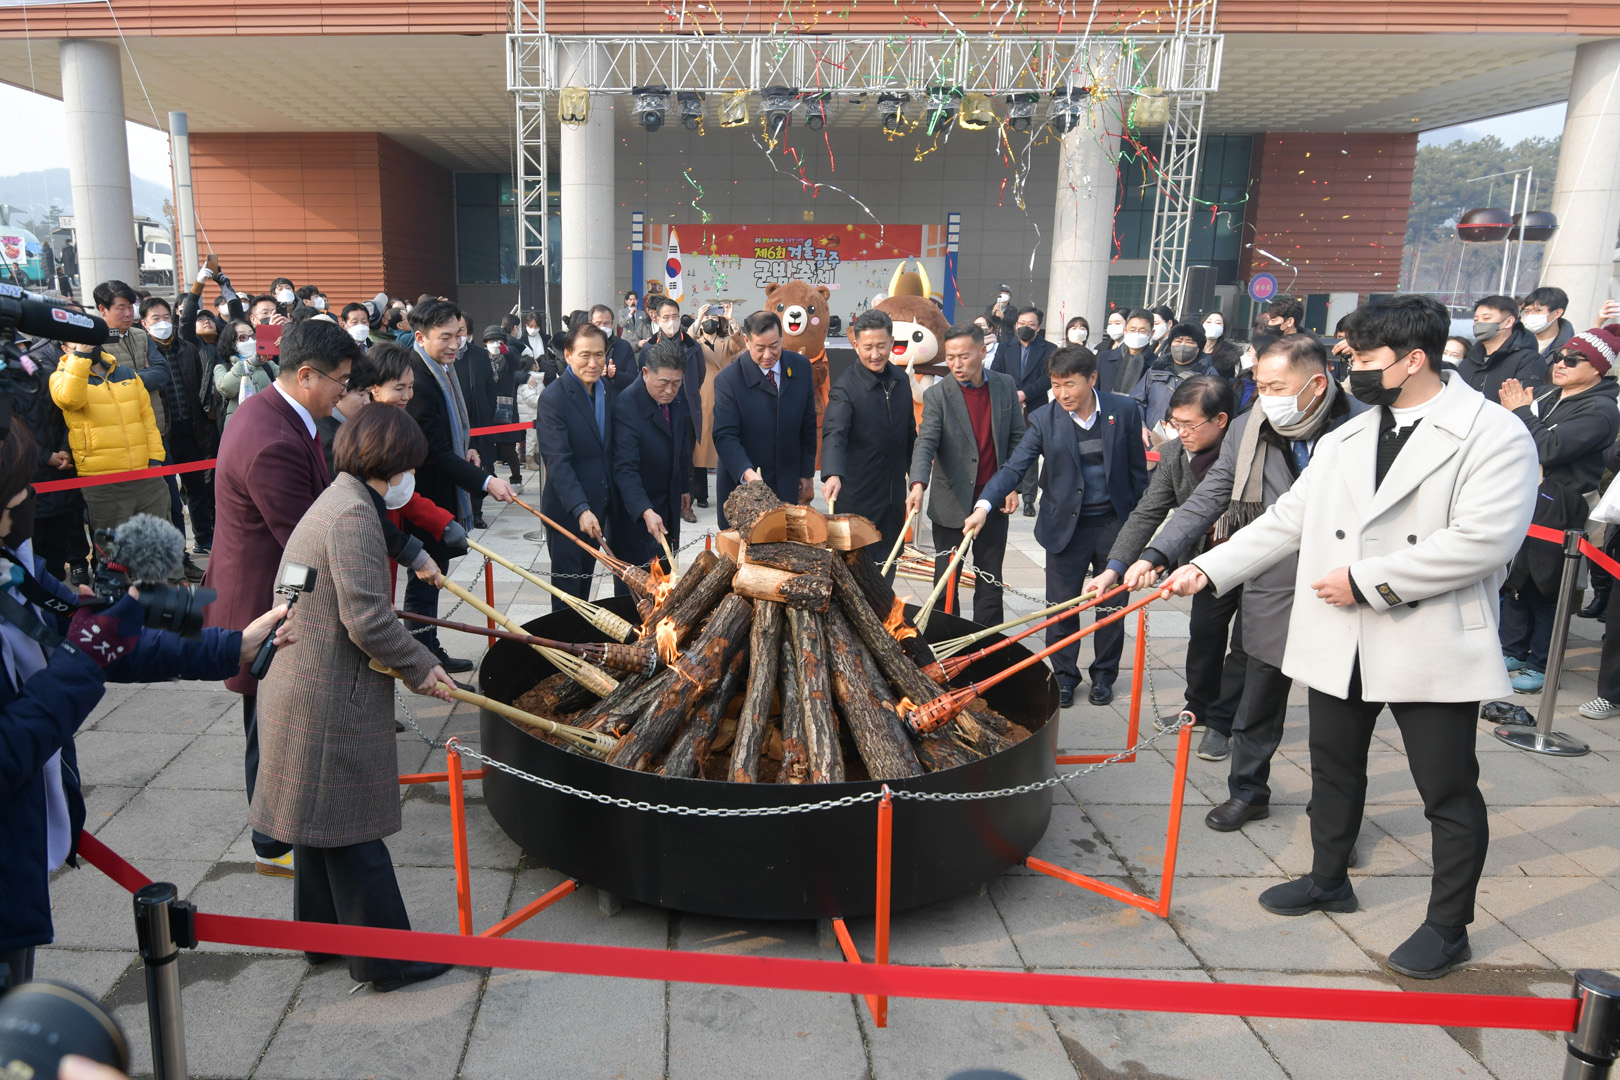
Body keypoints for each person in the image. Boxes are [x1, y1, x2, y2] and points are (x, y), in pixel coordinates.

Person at [1167, 294, 1541, 980]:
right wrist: (1206, 568)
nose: (1352, 369)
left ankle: (1448, 926)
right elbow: (1286, 520)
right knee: (1334, 767)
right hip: (1344, 638)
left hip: (1426, 635)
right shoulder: (1349, 437)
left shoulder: (1492, 433)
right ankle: (1327, 877)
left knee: (1447, 789)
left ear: (1414, 359)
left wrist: (1368, 581)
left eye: (1364, 357)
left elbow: (1484, 541)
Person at [0, 415, 292, 992]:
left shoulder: (12, 567)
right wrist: (83, 658)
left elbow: (99, 634)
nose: (23, 511)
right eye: (13, 501)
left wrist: (232, 645)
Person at [251, 404, 455, 993]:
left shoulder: (336, 500)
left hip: (302, 678)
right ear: (391, 463)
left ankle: (321, 937)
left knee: (319, 820)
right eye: (407, 467)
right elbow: (367, 619)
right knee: (351, 826)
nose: (409, 477)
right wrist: (421, 665)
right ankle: (386, 961)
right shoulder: (354, 516)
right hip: (326, 692)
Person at [1148, 334, 1364, 833]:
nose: (1267, 397)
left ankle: (1333, 815)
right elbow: (1211, 496)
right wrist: (1159, 553)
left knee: (1341, 711)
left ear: (1316, 383)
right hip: (1272, 574)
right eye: (1260, 386)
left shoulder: (1362, 424)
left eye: (1277, 387)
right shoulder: (1250, 426)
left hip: (1345, 579)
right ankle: (1247, 791)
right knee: (1259, 691)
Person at [204, 316, 360, 878]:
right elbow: (303, 536)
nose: (345, 391)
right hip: (261, 598)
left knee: (277, 721)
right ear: (306, 374)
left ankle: (281, 828)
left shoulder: (280, 412)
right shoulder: (272, 437)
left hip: (272, 587)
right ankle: (270, 844)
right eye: (341, 380)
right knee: (268, 725)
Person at [964, 346, 1148, 708]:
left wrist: (1139, 527)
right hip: (1065, 526)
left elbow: (1138, 474)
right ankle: (1064, 677)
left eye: (1070, 384)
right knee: (1061, 607)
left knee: (1111, 605)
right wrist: (984, 505)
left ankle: (1104, 676)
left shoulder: (1124, 411)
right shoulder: (1044, 419)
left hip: (1113, 523)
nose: (1063, 393)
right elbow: (1014, 467)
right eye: (1056, 385)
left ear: (1092, 378)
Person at [1089, 375, 1243, 761]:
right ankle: (1199, 707)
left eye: (1190, 424)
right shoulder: (1175, 453)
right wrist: (1115, 567)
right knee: (1204, 633)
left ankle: (1224, 723)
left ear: (1221, 420)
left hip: (1253, 560)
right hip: (1203, 564)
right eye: (1175, 423)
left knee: (1247, 646)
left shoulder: (1247, 452)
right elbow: (1148, 511)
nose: (1181, 433)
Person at [1495, 326, 1620, 693]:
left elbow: (1549, 448)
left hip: (1563, 504)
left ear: (1597, 369)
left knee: (1548, 585)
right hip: (1526, 495)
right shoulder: (1550, 394)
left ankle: (1541, 662)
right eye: (1559, 356)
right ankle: (1513, 649)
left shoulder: (1600, 409)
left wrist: (1521, 411)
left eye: (1573, 360)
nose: (1561, 364)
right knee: (1516, 580)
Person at [402, 300, 515, 669]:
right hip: (426, 495)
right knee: (425, 577)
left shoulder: (442, 369)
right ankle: (422, 657)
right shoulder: (420, 380)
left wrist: (465, 448)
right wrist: (486, 481)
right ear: (421, 337)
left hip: (442, 491)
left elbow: (448, 437)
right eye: (445, 337)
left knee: (433, 575)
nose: (455, 344)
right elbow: (434, 453)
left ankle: (427, 647)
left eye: (459, 335)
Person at [906, 323, 1025, 624]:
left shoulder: (1004, 385)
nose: (956, 364)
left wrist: (1012, 485)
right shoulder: (938, 394)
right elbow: (926, 442)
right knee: (946, 580)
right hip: (951, 501)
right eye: (950, 357)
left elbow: (1017, 438)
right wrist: (918, 483)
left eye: (964, 356)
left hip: (994, 499)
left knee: (990, 579)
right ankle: (946, 637)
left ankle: (987, 641)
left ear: (982, 351)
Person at [49, 307, 170, 538]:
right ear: (65, 349)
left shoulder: (126, 374)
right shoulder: (60, 378)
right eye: (77, 341)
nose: (88, 344)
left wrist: (155, 460)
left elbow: (147, 419)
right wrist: (81, 357)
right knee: (113, 547)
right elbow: (70, 400)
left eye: (89, 338)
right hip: (103, 480)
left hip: (145, 473)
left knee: (159, 540)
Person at [820, 310, 917, 572]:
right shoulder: (846, 387)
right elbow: (835, 432)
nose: (875, 354)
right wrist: (832, 473)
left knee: (888, 566)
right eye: (868, 347)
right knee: (857, 570)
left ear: (891, 341)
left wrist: (917, 478)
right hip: (857, 497)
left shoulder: (900, 380)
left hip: (893, 496)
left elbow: (910, 434)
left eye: (881, 346)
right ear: (856, 345)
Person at [537, 322, 621, 607]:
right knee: (567, 595)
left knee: (584, 587)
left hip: (599, 506)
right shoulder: (554, 398)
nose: (593, 363)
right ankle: (565, 635)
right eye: (585, 355)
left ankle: (581, 635)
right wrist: (580, 509)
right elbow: (557, 462)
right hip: (567, 512)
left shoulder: (605, 390)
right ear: (568, 354)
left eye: (599, 354)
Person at [711, 311, 818, 528]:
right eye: (760, 348)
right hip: (743, 486)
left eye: (774, 346)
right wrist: (748, 474)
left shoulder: (801, 367)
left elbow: (808, 422)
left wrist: (806, 472)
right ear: (747, 340)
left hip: (786, 478)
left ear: (782, 338)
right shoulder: (728, 380)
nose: (768, 355)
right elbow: (725, 436)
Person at [136, 294, 211, 581]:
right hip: (161, 434)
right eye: (155, 318)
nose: (162, 323)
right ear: (144, 323)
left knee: (198, 488)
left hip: (191, 429)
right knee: (170, 499)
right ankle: (179, 557)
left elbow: (200, 385)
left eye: (166, 317)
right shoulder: (145, 353)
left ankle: (204, 539)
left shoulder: (188, 349)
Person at [613, 340, 691, 570]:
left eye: (676, 383)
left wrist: (684, 487)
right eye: (663, 383)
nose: (669, 391)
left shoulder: (676, 399)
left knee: (667, 575)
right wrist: (644, 510)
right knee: (638, 583)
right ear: (646, 373)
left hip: (668, 502)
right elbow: (624, 468)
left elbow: (681, 445)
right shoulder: (626, 405)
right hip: (636, 511)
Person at [641, 296, 705, 522]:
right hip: (656, 411)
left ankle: (686, 504)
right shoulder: (649, 347)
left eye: (675, 316)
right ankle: (658, 502)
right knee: (657, 456)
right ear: (656, 319)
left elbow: (699, 376)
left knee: (685, 458)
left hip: (685, 410)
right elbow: (642, 377)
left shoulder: (692, 346)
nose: (671, 321)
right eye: (666, 317)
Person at [692, 303, 743, 510]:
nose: (710, 321)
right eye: (706, 319)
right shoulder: (695, 342)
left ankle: (730, 492)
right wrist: (698, 318)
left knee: (726, 442)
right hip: (703, 395)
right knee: (701, 447)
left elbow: (740, 344)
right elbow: (684, 341)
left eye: (713, 318)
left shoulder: (726, 341)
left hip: (726, 394)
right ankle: (701, 494)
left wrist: (731, 319)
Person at [1007, 305, 1055, 516]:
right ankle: (1007, 490)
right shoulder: (1004, 347)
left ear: (1038, 327)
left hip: (1035, 406)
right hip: (1009, 405)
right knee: (1008, 449)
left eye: (1031, 324)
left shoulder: (1049, 349)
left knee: (1032, 451)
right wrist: (1012, 395)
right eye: (1022, 323)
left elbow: (1048, 378)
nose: (1025, 327)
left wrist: (1025, 393)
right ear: (1016, 324)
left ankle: (1028, 498)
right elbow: (997, 373)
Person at [452, 314, 497, 530]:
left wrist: (488, 412)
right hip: (454, 421)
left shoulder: (479, 355)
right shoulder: (445, 356)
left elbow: (490, 386)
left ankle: (476, 512)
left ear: (468, 332)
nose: (458, 335)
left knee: (478, 464)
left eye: (461, 330)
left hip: (478, 421)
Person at [1455, 295, 1545, 403]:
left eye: (1486, 318)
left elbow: (1525, 404)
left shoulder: (1528, 360)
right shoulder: (1469, 361)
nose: (1479, 323)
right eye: (1476, 319)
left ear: (1508, 322)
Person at [1132, 322, 1214, 439]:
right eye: (1178, 341)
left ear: (1199, 347)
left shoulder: (1208, 373)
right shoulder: (1156, 369)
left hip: (1188, 439)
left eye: (1190, 342)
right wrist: (1141, 425)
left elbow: (1213, 409)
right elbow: (1137, 400)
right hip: (1151, 438)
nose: (1183, 345)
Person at [480, 325, 526, 488]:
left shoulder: (508, 356)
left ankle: (516, 480)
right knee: (487, 446)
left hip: (506, 407)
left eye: (498, 340)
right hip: (487, 406)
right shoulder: (482, 358)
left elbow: (516, 363)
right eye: (491, 340)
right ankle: (490, 476)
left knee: (508, 448)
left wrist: (506, 351)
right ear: (485, 342)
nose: (494, 343)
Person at [214, 319, 279, 430]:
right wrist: (248, 364)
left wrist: (287, 348)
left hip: (270, 424)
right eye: (243, 337)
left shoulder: (268, 365)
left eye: (253, 336)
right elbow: (226, 389)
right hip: (240, 428)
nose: (251, 341)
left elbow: (291, 381)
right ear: (232, 344)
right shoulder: (222, 368)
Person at [1097, 308, 1155, 397]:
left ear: (1151, 334)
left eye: (1142, 331)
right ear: (1125, 331)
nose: (1136, 334)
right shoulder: (1104, 359)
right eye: (1132, 330)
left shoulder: (1156, 365)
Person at [1520, 285, 1576, 364]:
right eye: (1527, 311)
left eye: (1537, 310)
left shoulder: (1570, 349)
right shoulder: (1516, 341)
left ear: (1557, 313)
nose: (1530, 315)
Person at [588, 304, 638, 392]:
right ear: (590, 324)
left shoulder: (624, 346)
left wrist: (614, 375)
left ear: (612, 324)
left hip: (615, 397)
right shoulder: (583, 347)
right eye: (598, 323)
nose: (602, 327)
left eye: (606, 323)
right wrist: (594, 373)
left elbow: (633, 379)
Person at [1201, 311, 1242, 379]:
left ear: (1223, 330)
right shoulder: (1192, 348)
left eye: (1218, 323)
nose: (1213, 325)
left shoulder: (1229, 356)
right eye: (1209, 322)